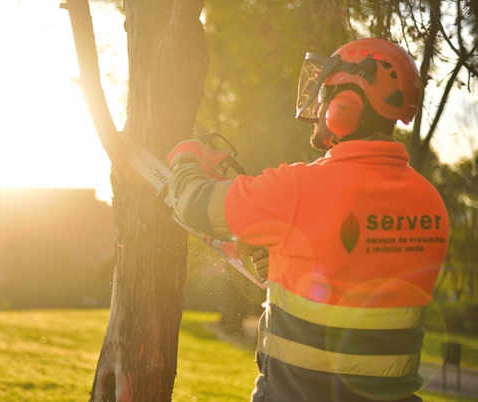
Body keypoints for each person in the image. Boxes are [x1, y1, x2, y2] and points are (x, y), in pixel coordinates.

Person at [166, 38, 449, 402]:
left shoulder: (298, 189)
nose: (318, 104)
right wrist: (285, 261)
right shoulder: (430, 204)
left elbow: (192, 203)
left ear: (347, 106)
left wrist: (187, 157)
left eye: (327, 93)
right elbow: (355, 271)